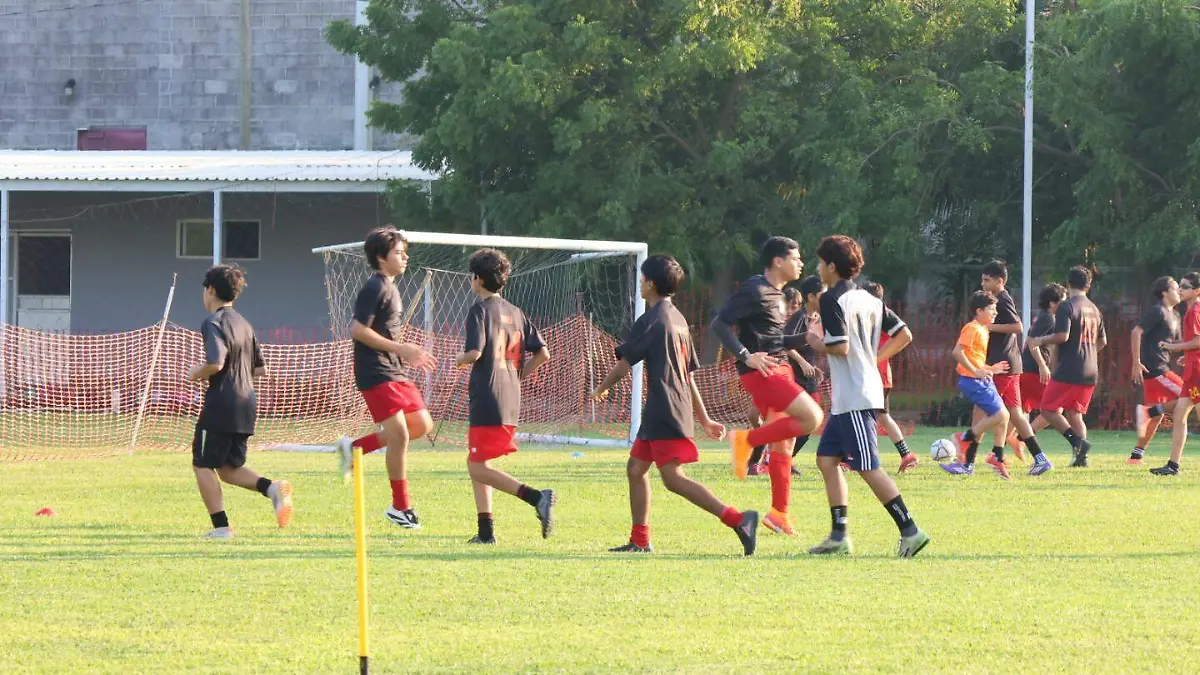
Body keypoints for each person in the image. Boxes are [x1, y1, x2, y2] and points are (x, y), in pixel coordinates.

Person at [595, 254, 759, 555]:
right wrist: (705, 418)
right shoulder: (679, 320)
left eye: (642, 279)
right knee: (635, 469)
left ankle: (739, 520)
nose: (640, 284)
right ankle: (640, 540)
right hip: (667, 407)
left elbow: (624, 364)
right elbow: (689, 376)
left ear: (652, 283)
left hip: (665, 409)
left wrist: (601, 388)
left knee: (672, 479)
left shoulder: (652, 320)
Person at [804, 235, 929, 557]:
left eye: (820, 263)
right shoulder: (870, 299)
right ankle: (838, 536)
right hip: (853, 395)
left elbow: (841, 347)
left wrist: (816, 343)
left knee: (868, 467)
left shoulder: (832, 299)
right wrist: (874, 360)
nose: (818, 269)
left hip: (856, 396)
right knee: (826, 459)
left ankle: (910, 530)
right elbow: (905, 334)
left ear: (831, 266)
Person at [712, 236, 823, 536]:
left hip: (780, 366)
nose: (801, 263)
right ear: (778, 261)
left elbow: (774, 342)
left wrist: (806, 339)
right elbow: (719, 324)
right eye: (796, 257)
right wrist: (746, 356)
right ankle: (745, 441)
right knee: (812, 417)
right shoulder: (754, 289)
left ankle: (779, 514)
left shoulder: (779, 296)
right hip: (763, 372)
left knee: (784, 444)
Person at [337, 226, 438, 529]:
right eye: (398, 252)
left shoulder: (390, 286)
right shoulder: (375, 287)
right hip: (375, 370)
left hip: (393, 368)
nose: (405, 256)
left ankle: (354, 448)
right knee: (401, 435)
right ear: (382, 257)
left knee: (422, 424)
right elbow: (357, 330)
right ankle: (401, 507)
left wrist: (403, 353)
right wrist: (402, 348)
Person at [454, 248, 555, 544]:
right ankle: (485, 532)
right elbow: (543, 354)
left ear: (476, 279)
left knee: (475, 466)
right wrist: (516, 377)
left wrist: (459, 359)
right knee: (479, 462)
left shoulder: (479, 310)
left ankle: (536, 497)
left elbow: (475, 353)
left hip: (488, 397)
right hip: (511, 397)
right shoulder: (516, 312)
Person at [187, 265, 292, 539]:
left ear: (210, 290)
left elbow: (216, 361)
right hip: (247, 404)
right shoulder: (244, 324)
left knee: (202, 464)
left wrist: (197, 373)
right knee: (228, 469)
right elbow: (260, 369)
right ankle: (273, 488)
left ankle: (221, 528)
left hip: (222, 402)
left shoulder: (213, 322)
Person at [1026, 265, 1107, 468]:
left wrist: (1040, 340)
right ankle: (1081, 459)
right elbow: (1103, 341)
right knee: (1074, 413)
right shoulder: (1095, 309)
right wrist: (1088, 355)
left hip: (1070, 368)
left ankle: (1078, 443)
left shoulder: (1066, 306)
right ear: (1088, 286)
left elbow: (1063, 336)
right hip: (1090, 369)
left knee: (1048, 409)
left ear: (1068, 283)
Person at [979, 261, 1053, 474]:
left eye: (987, 280)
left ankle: (967, 458)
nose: (983, 284)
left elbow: (1017, 326)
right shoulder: (995, 299)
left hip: (1004, 366)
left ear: (999, 281)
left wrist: (988, 326)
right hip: (1010, 364)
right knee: (1015, 414)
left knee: (984, 410)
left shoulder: (1002, 299)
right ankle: (1038, 458)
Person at [939, 292, 1016, 479]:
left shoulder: (983, 329)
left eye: (995, 309)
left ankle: (997, 456)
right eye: (991, 309)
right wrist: (976, 372)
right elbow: (957, 352)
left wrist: (990, 369)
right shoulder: (972, 328)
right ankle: (964, 438)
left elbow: (975, 357)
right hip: (972, 381)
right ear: (978, 310)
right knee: (1001, 414)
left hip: (982, 378)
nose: (995, 313)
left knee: (1003, 417)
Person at [861, 282, 918, 472]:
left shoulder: (877, 318)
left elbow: (902, 336)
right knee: (882, 417)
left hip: (874, 376)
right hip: (882, 376)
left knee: (864, 416)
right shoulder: (877, 317)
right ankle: (906, 454)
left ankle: (857, 456)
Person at [1129, 276, 1184, 465]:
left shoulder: (1175, 315)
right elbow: (1136, 332)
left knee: (1156, 415)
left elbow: (1175, 344)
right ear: (1165, 292)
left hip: (1163, 367)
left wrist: (1186, 355)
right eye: (1176, 288)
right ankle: (1150, 411)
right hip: (1155, 369)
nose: (1179, 291)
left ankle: (1136, 457)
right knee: (1191, 396)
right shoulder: (1158, 311)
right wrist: (1136, 362)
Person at [1153, 271, 1200, 475]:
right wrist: (1187, 356)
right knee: (1180, 415)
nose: (1180, 289)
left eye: (1185, 287)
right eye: (1179, 285)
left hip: (1197, 374)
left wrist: (1173, 347)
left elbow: (1198, 341)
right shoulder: (1192, 310)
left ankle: (1173, 465)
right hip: (1193, 371)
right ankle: (1173, 465)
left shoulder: (1194, 311)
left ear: (1197, 291)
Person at [1020, 284, 1067, 435]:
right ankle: (1025, 437)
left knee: (1017, 411)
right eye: (1063, 302)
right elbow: (1032, 341)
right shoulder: (1048, 318)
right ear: (1053, 304)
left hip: (1026, 368)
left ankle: (1000, 449)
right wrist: (1042, 365)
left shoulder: (1042, 316)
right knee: (1055, 407)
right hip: (1034, 371)